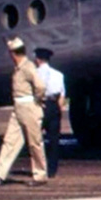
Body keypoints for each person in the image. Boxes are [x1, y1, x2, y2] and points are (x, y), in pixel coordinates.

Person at [0, 36, 48, 186]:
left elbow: (41, 86)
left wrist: (37, 101)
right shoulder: (19, 68)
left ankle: (40, 175)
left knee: (34, 143)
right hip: (18, 108)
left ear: (13, 53)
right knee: (9, 141)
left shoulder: (28, 67)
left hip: (29, 108)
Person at [35, 47, 66, 178]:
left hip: (41, 105)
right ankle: (52, 170)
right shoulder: (59, 74)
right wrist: (58, 110)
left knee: (36, 139)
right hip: (54, 106)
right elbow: (62, 94)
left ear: (37, 59)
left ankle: (39, 168)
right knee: (53, 140)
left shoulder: (35, 74)